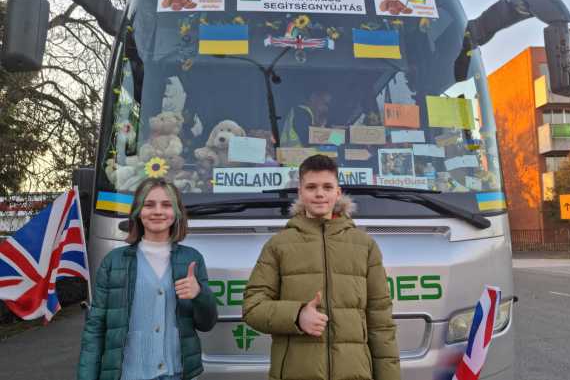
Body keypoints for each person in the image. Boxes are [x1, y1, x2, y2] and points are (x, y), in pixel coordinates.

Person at [242, 155, 400, 380]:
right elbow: (252, 307)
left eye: (327, 187)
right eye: (311, 187)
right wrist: (297, 316)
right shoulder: (278, 245)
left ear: (338, 192)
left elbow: (381, 323)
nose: (319, 194)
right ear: (300, 192)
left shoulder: (364, 246)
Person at [77, 177, 218, 380]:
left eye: (167, 205)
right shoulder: (113, 262)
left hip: (176, 374)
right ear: (138, 212)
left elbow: (207, 323)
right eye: (149, 204)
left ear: (177, 212)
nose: (158, 211)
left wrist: (199, 295)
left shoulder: (191, 259)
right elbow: (95, 328)